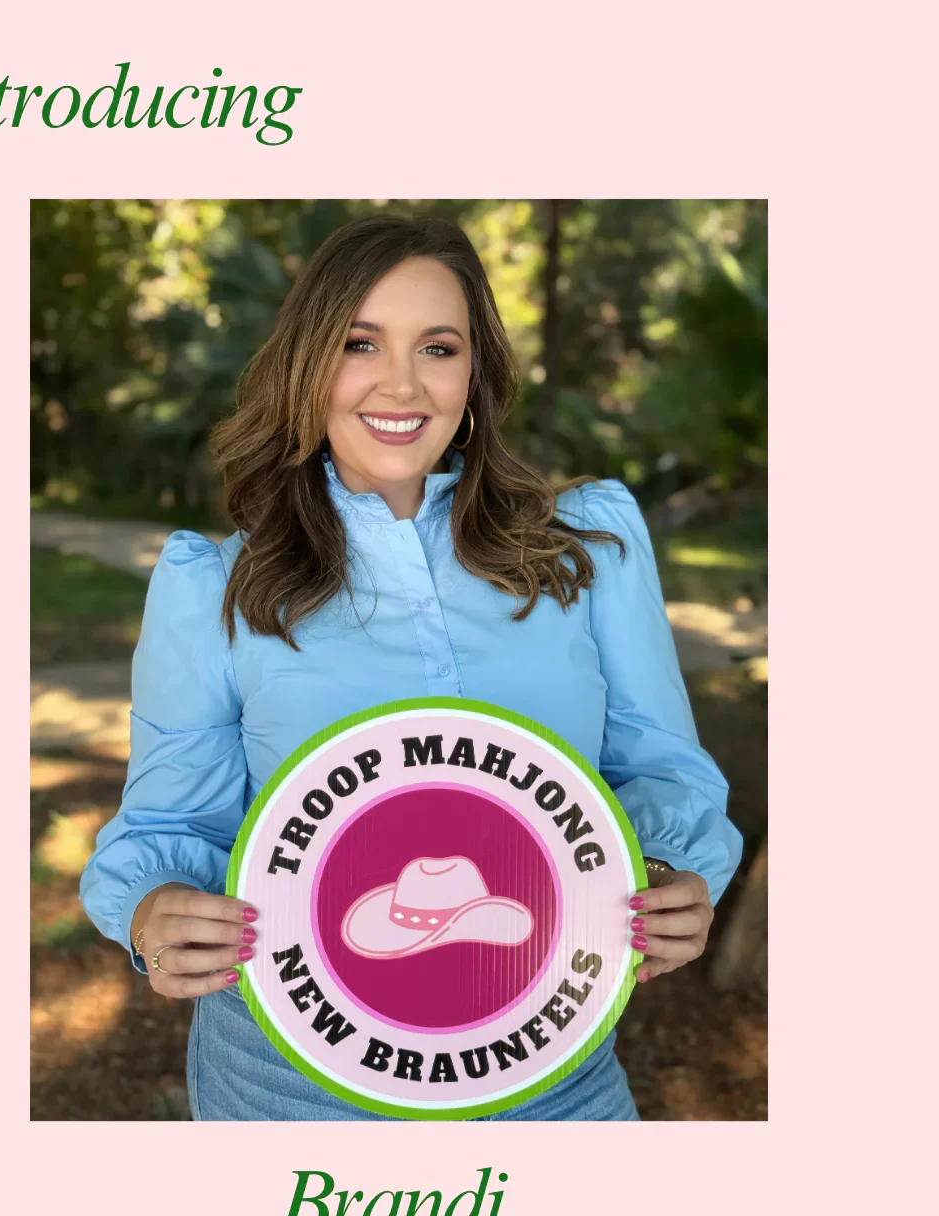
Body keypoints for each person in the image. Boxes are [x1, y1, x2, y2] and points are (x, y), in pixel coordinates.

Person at [79, 215, 743, 1121]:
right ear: (308, 363)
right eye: (360, 343)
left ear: (475, 374)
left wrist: (668, 875)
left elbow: (664, 772)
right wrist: (153, 911)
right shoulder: (216, 589)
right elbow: (169, 826)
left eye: (437, 347)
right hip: (290, 1084)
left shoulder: (585, 554)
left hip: (553, 1070)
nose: (401, 383)